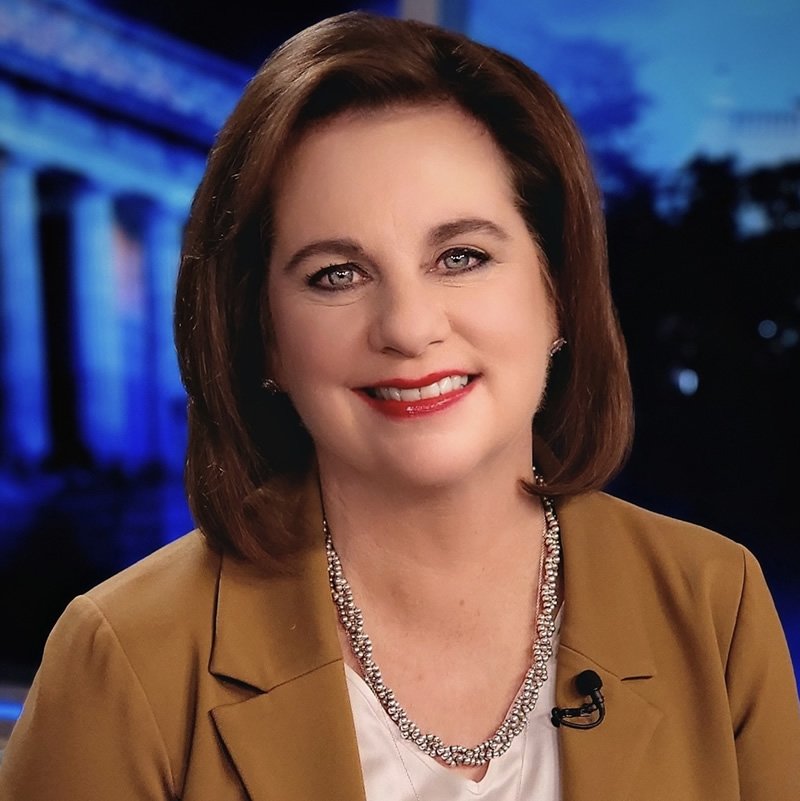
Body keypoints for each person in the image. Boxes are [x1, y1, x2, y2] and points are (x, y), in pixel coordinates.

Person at [1, 12, 798, 801]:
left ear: (557, 293)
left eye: (462, 256)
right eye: (336, 274)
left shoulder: (714, 602)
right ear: (267, 339)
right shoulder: (124, 655)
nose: (410, 328)